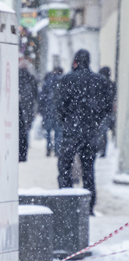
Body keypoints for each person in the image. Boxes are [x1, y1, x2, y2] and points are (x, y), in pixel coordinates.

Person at [56, 49, 111, 214]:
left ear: (75, 61)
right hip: (90, 131)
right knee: (88, 170)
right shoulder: (100, 81)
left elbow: (59, 106)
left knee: (65, 169)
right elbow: (106, 107)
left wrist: (67, 122)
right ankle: (89, 206)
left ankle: (68, 204)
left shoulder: (66, 80)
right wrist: (95, 123)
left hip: (71, 131)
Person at [38, 66, 63, 156]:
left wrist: (41, 108)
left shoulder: (47, 82)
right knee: (58, 131)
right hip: (58, 110)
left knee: (48, 131)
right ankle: (57, 149)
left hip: (47, 109)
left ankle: (48, 147)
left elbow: (41, 96)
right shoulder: (62, 82)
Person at [18, 59, 38, 162]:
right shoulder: (31, 78)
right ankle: (25, 147)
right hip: (28, 107)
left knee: (19, 129)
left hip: (18, 107)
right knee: (26, 129)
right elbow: (35, 94)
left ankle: (20, 149)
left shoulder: (16, 77)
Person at [96, 67, 116, 158]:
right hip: (108, 111)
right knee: (103, 132)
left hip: (99, 111)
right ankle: (102, 149)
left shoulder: (99, 83)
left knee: (99, 131)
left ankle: (99, 148)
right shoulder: (111, 84)